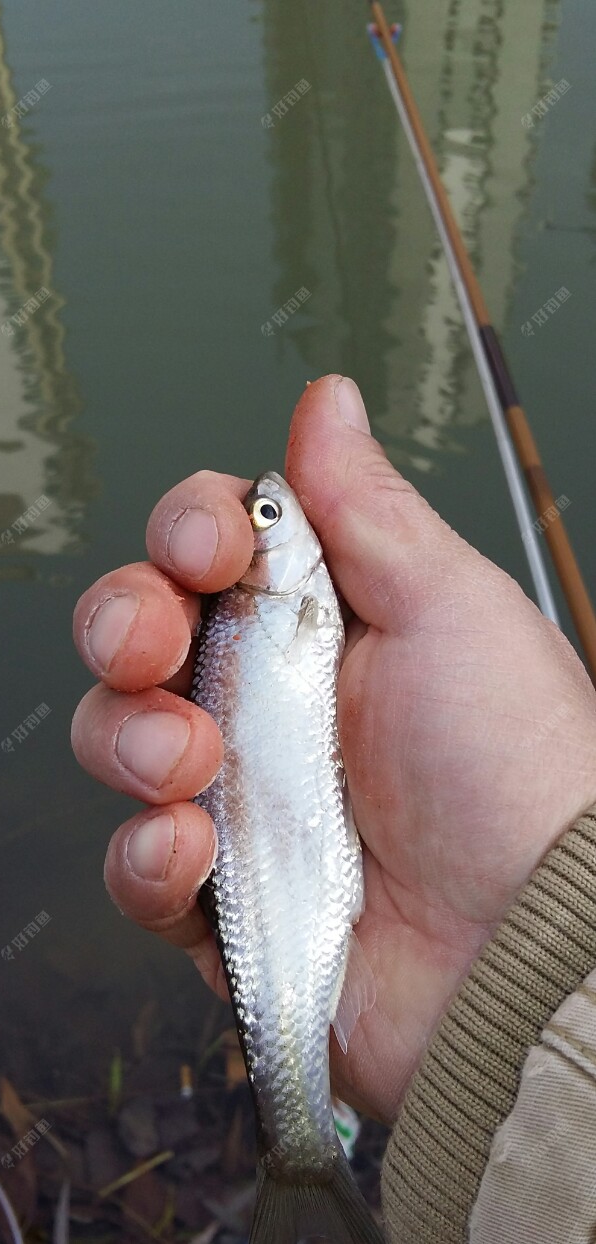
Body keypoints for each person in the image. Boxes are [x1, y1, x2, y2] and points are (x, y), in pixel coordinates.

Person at [71, 374, 596, 1242]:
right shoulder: (280, 606)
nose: (270, 517)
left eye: (264, 516)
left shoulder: (295, 607)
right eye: (267, 516)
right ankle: (302, 1155)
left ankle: (303, 1156)